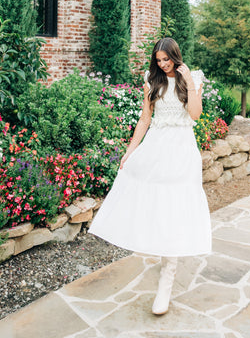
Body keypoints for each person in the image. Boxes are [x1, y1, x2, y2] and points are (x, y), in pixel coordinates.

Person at [88, 37, 212, 315]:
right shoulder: (151, 80)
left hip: (181, 149)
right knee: (154, 203)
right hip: (156, 146)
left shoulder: (192, 78)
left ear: (176, 57)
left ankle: (167, 277)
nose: (163, 64)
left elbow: (195, 114)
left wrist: (189, 80)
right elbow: (145, 118)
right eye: (158, 60)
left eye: (167, 59)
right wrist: (130, 150)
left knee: (176, 208)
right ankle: (159, 250)